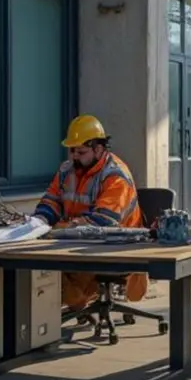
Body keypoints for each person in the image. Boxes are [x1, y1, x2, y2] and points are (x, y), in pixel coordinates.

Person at [32, 115, 149, 310]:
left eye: (81, 152)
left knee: (54, 278)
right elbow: (51, 200)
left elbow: (102, 223)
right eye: (71, 151)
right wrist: (37, 222)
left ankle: (73, 304)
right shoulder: (67, 170)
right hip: (74, 242)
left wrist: (59, 229)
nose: (74, 156)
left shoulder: (116, 176)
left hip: (114, 248)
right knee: (37, 270)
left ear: (99, 149)